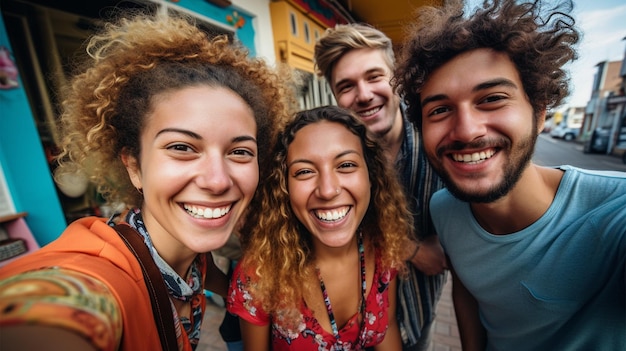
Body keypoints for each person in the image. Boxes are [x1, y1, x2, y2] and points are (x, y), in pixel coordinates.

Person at [0, 12, 295, 350]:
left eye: (240, 152)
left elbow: (221, 281)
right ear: (134, 166)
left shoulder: (192, 257)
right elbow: (59, 305)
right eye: (182, 147)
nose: (217, 180)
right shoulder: (101, 275)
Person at [394, 0, 626, 350]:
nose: (466, 130)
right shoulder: (443, 209)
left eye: (492, 98)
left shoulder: (614, 213)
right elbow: (468, 290)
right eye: (440, 110)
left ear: (540, 111)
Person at [227, 105, 412, 350]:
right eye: (304, 171)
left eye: (346, 165)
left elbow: (387, 331)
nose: (327, 190)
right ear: (284, 187)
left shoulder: (384, 246)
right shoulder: (260, 274)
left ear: (372, 175)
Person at [314, 23, 447, 351]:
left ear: (396, 77)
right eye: (346, 86)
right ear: (334, 95)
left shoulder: (441, 143)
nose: (363, 95)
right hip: (346, 326)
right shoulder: (323, 154)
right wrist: (412, 249)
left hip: (417, 311)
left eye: (374, 76)